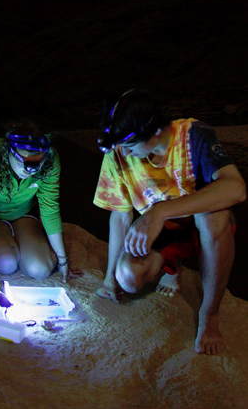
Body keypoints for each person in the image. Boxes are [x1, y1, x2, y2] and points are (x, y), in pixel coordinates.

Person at [93, 89, 246, 355]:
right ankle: (171, 266)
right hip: (163, 232)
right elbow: (119, 215)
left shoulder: (193, 135)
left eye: (130, 147)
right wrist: (109, 279)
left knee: (214, 216)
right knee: (128, 276)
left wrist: (160, 210)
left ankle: (209, 316)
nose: (125, 155)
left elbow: (235, 188)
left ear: (154, 133)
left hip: (201, 229)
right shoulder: (118, 152)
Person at [0, 119, 81, 282]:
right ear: (9, 151)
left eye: (37, 162)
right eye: (24, 161)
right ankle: (2, 238)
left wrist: (63, 261)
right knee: (6, 264)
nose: (29, 170)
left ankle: (23, 237)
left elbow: (50, 208)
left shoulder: (50, 160)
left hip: (24, 213)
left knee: (40, 269)